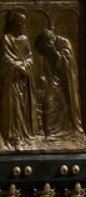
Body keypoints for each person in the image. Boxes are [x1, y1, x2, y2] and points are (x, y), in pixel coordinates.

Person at [0, 8, 36, 150]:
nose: (23, 26)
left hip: (23, 80)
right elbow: (4, 60)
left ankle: (22, 135)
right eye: (20, 23)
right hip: (10, 80)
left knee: (22, 106)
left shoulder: (25, 39)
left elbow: (30, 57)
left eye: (24, 24)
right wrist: (16, 66)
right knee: (13, 107)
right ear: (14, 23)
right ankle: (12, 137)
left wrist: (25, 65)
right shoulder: (6, 39)